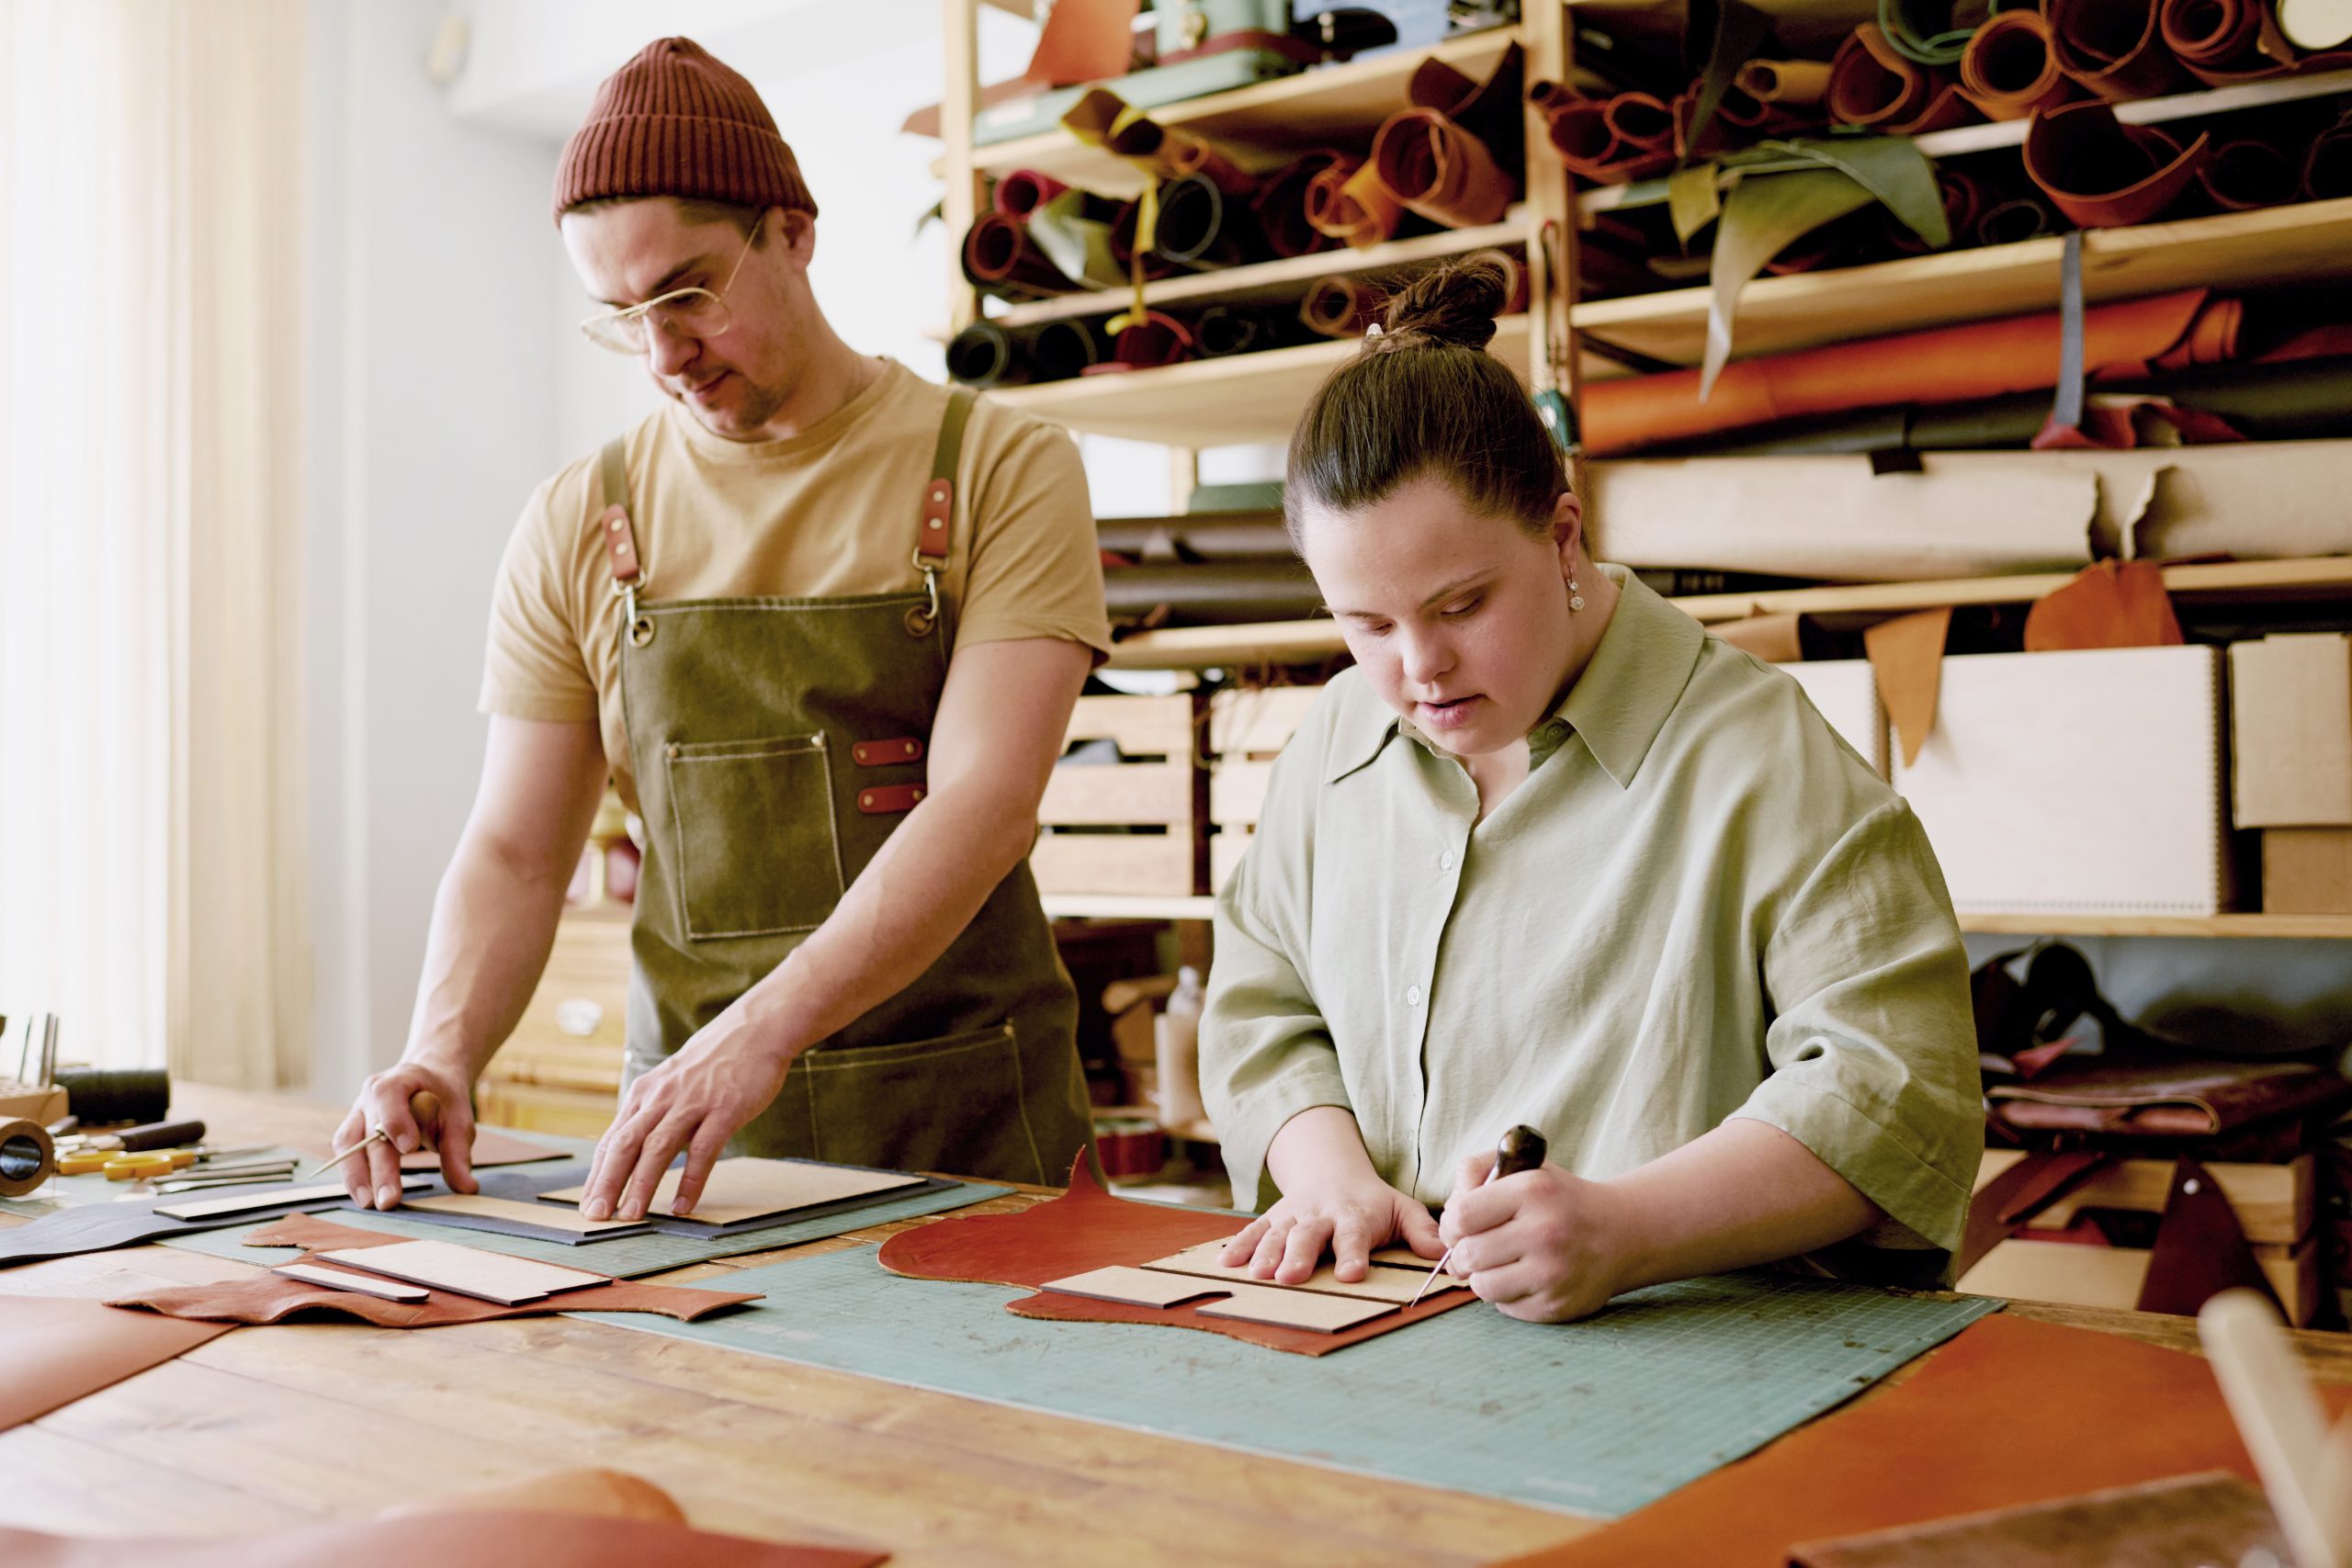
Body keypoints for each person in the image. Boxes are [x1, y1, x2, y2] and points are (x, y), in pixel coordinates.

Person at [334, 38, 1108, 1219]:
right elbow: (518, 851)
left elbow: (984, 803)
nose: (661, 355)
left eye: (687, 292)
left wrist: (760, 1031)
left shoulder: (1002, 467)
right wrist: (440, 1051)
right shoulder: (581, 523)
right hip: (693, 1153)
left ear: (792, 230)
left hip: (968, 1129)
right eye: (620, 315)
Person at [1203, 258, 1981, 1324]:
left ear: (1563, 537)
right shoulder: (1342, 732)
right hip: (1372, 1333)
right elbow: (1260, 997)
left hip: (1683, 1353)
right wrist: (1326, 1171)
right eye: (1367, 624)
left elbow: (1896, 1091)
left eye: (1461, 604)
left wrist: (1628, 1229)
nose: (1418, 667)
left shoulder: (1755, 755)